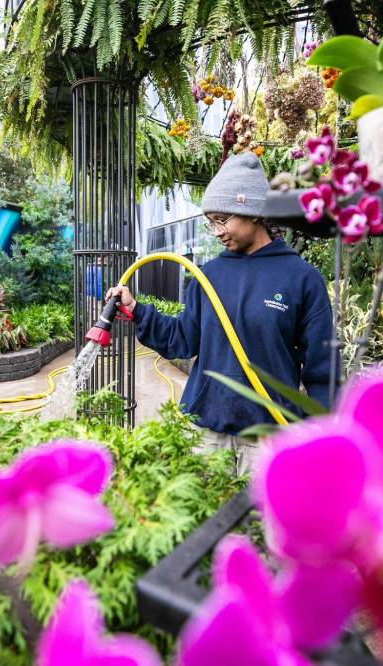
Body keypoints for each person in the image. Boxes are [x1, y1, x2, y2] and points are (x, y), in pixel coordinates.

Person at [105, 152, 337, 473]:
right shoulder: (208, 275)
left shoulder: (301, 278)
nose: (216, 231)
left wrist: (320, 434)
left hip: (269, 438)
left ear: (252, 211)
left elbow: (321, 369)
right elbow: (182, 341)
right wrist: (138, 311)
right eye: (210, 221)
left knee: (259, 524)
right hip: (206, 431)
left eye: (222, 219)